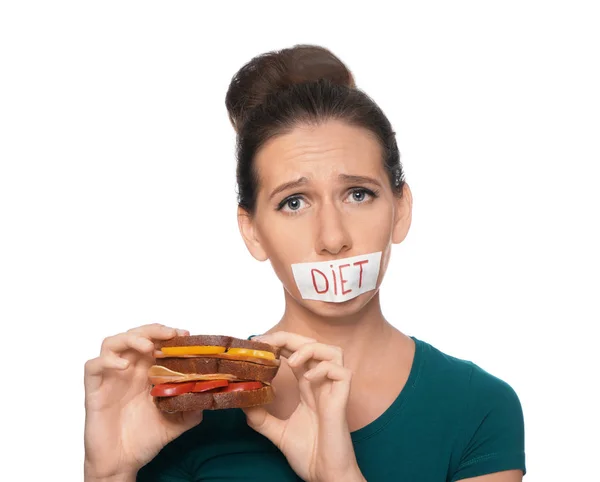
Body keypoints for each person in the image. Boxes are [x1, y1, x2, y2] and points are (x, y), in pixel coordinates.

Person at [84, 45, 526, 482]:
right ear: (251, 231)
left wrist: (339, 476)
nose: (332, 239)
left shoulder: (478, 407)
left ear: (401, 208)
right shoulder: (189, 412)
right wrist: (109, 474)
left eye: (358, 194)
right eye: (293, 202)